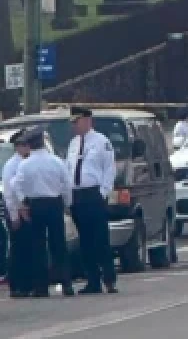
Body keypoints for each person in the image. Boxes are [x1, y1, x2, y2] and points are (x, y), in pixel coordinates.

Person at [11, 127, 74, 298]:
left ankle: (41, 287)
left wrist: (23, 202)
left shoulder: (25, 164)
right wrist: (67, 204)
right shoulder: (56, 161)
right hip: (54, 204)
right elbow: (67, 185)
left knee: (38, 246)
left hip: (35, 206)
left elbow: (15, 184)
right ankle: (66, 283)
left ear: (30, 145)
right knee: (58, 244)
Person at [64, 106, 117, 294]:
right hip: (77, 196)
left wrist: (103, 193)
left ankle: (109, 279)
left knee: (100, 240)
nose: (74, 126)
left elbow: (109, 170)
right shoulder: (72, 144)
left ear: (87, 120)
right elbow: (69, 170)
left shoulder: (102, 142)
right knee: (85, 242)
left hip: (94, 195)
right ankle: (93, 281)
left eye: (76, 122)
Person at [3, 129, 31, 298]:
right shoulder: (12, 165)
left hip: (25, 211)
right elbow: (9, 193)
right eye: (24, 145)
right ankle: (17, 285)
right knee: (18, 250)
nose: (28, 148)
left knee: (27, 249)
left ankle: (26, 284)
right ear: (18, 147)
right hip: (16, 212)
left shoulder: (26, 162)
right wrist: (14, 216)